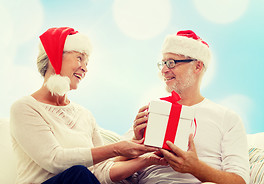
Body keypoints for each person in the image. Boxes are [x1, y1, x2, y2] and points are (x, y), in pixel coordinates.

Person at [10, 27, 167, 184]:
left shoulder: (84, 114)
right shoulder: (25, 107)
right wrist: (116, 148)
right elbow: (55, 161)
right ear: (55, 56)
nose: (85, 68)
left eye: (87, 62)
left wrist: (148, 159)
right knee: (79, 173)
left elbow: (100, 171)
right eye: (79, 58)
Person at [131, 30, 250, 184]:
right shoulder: (151, 111)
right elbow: (113, 165)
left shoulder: (227, 118)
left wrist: (195, 167)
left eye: (171, 63)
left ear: (198, 67)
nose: (164, 70)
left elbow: (240, 181)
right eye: (163, 63)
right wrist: (136, 140)